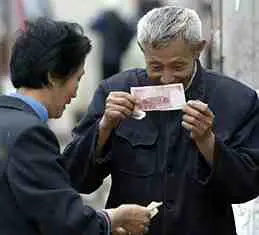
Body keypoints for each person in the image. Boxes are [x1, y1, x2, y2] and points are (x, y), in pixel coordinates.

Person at [63, 6, 259, 235]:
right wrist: (104, 128)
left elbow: (248, 187)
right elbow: (76, 178)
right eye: (155, 67)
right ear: (142, 50)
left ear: (198, 49)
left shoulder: (235, 99)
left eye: (178, 66)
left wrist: (208, 143)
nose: (166, 78)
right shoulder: (115, 91)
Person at [0, 18, 151, 235]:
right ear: (53, 76)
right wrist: (113, 218)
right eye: (77, 79)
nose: (76, 92)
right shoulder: (30, 134)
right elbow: (64, 220)